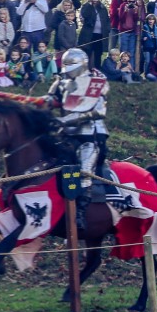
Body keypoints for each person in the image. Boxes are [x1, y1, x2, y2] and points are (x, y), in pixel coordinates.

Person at [44, 47, 109, 230]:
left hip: (88, 136)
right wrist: (42, 102)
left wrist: (66, 119)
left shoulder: (96, 82)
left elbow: (99, 111)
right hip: (65, 135)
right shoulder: (62, 81)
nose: (68, 69)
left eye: (70, 64)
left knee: (84, 170)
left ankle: (80, 213)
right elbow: (51, 99)